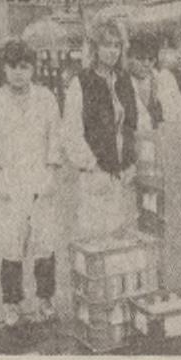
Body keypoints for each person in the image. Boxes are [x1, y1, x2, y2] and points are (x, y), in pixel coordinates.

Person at [0, 40, 62, 327]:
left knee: (44, 244)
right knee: (11, 246)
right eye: (13, 67)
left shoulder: (46, 98)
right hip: (9, 183)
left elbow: (55, 137)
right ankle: (11, 302)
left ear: (32, 69)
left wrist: (51, 172)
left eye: (24, 67)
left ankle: (45, 298)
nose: (18, 73)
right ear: (4, 68)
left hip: (40, 179)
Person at [63, 17, 140, 238]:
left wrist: (132, 161)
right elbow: (71, 133)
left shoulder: (125, 80)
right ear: (95, 48)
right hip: (95, 176)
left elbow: (134, 124)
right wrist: (92, 165)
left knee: (120, 242)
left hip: (122, 174)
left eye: (117, 45)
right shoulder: (81, 83)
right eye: (107, 45)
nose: (113, 51)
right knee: (96, 238)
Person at [125, 34, 163, 131]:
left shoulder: (157, 80)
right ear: (128, 58)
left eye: (151, 59)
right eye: (140, 58)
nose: (146, 64)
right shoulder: (122, 82)